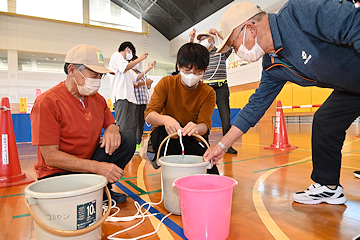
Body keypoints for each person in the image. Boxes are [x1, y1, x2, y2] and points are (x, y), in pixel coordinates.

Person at [203, 0, 360, 204]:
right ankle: (328, 186)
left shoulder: (298, 12)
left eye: (234, 44)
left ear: (250, 29)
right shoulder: (272, 65)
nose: (236, 51)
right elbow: (255, 107)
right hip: (351, 87)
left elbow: (353, 23)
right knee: (326, 122)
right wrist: (222, 146)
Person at [31, 44, 136, 204]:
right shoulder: (48, 102)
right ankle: (95, 189)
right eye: (94, 74)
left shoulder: (97, 99)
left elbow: (111, 123)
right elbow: (51, 157)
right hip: (59, 172)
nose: (98, 80)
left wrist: (112, 128)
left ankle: (101, 189)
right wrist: (98, 168)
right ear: (72, 70)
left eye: (101, 76)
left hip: (88, 163)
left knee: (127, 139)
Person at [144, 42, 219, 174]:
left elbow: (205, 125)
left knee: (211, 172)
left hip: (192, 137)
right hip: (166, 135)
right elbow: (149, 115)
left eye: (197, 72)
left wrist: (196, 128)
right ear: (178, 66)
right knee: (172, 142)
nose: (191, 75)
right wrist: (165, 119)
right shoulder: (166, 84)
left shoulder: (208, 92)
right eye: (187, 70)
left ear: (205, 70)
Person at [189, 28, 238, 154]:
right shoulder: (201, 56)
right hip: (206, 89)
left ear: (211, 40)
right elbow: (189, 56)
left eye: (204, 38)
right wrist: (192, 39)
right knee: (203, 117)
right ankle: (203, 144)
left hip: (221, 88)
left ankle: (227, 145)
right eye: (200, 40)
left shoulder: (221, 51)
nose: (202, 41)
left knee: (225, 117)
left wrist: (219, 33)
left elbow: (230, 45)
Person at [109, 41, 155, 135]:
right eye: (132, 53)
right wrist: (140, 59)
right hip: (121, 97)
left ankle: (128, 146)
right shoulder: (116, 55)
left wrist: (149, 68)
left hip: (131, 99)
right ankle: (120, 147)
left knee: (130, 127)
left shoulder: (128, 68)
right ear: (127, 49)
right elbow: (124, 67)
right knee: (121, 125)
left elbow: (136, 78)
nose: (131, 56)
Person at [132, 55, 154, 152]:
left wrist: (149, 83)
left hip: (143, 101)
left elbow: (147, 88)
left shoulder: (142, 74)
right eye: (134, 62)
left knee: (141, 123)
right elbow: (135, 84)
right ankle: (133, 144)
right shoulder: (129, 74)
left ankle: (138, 143)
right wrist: (145, 82)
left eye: (137, 62)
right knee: (135, 123)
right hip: (134, 102)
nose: (136, 64)